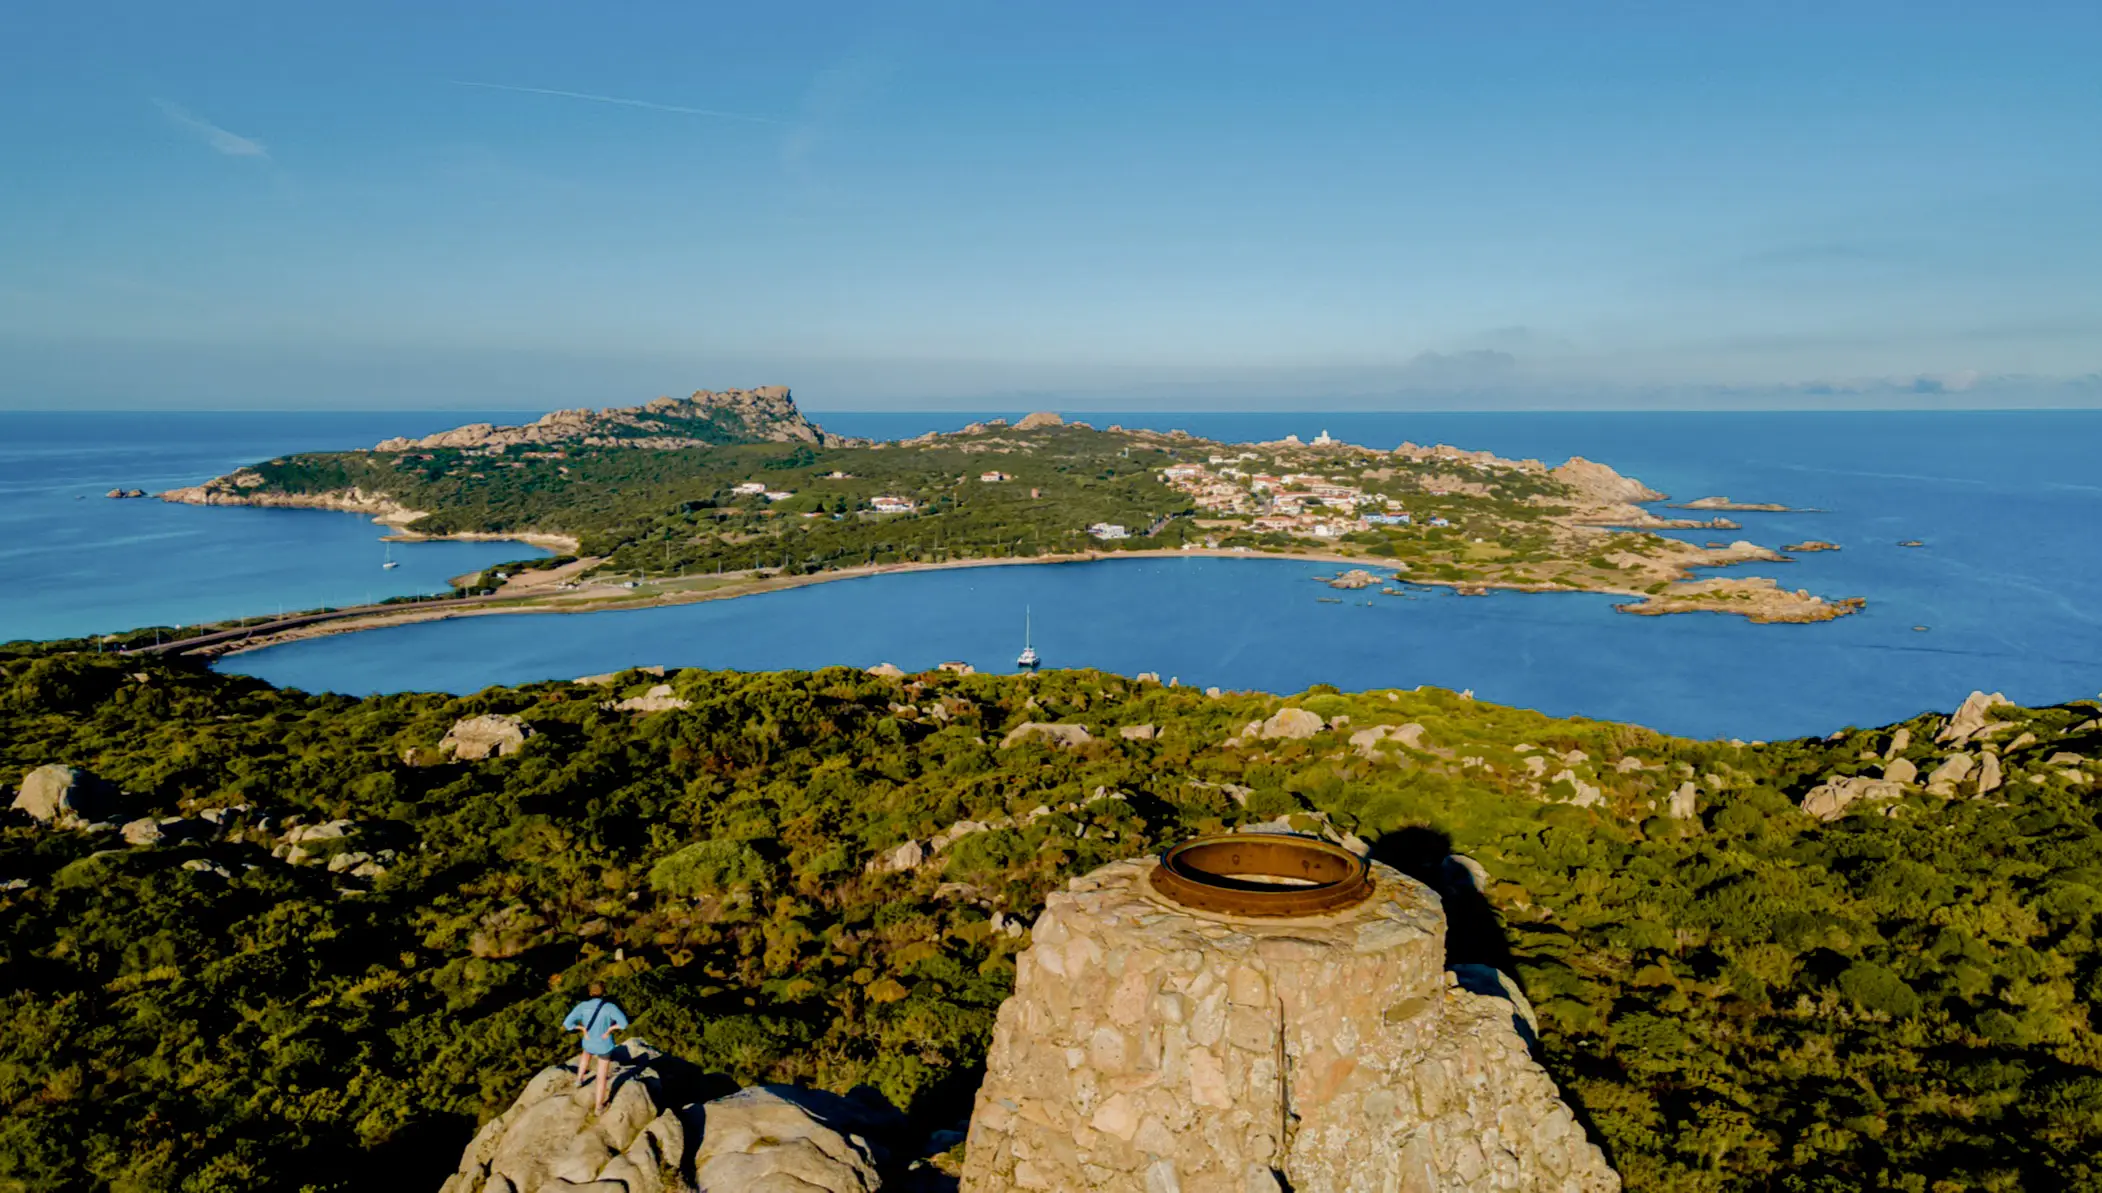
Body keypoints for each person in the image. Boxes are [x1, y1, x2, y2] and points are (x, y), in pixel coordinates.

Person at [561, 982, 630, 1112]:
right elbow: (624, 1024)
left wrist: (582, 1029)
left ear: (590, 993)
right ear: (604, 992)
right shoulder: (610, 1007)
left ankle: (579, 1080)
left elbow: (567, 1023)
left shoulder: (582, 1006)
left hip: (588, 1042)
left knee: (586, 1054)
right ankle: (598, 1107)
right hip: (604, 1044)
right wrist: (610, 1029)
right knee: (601, 1075)